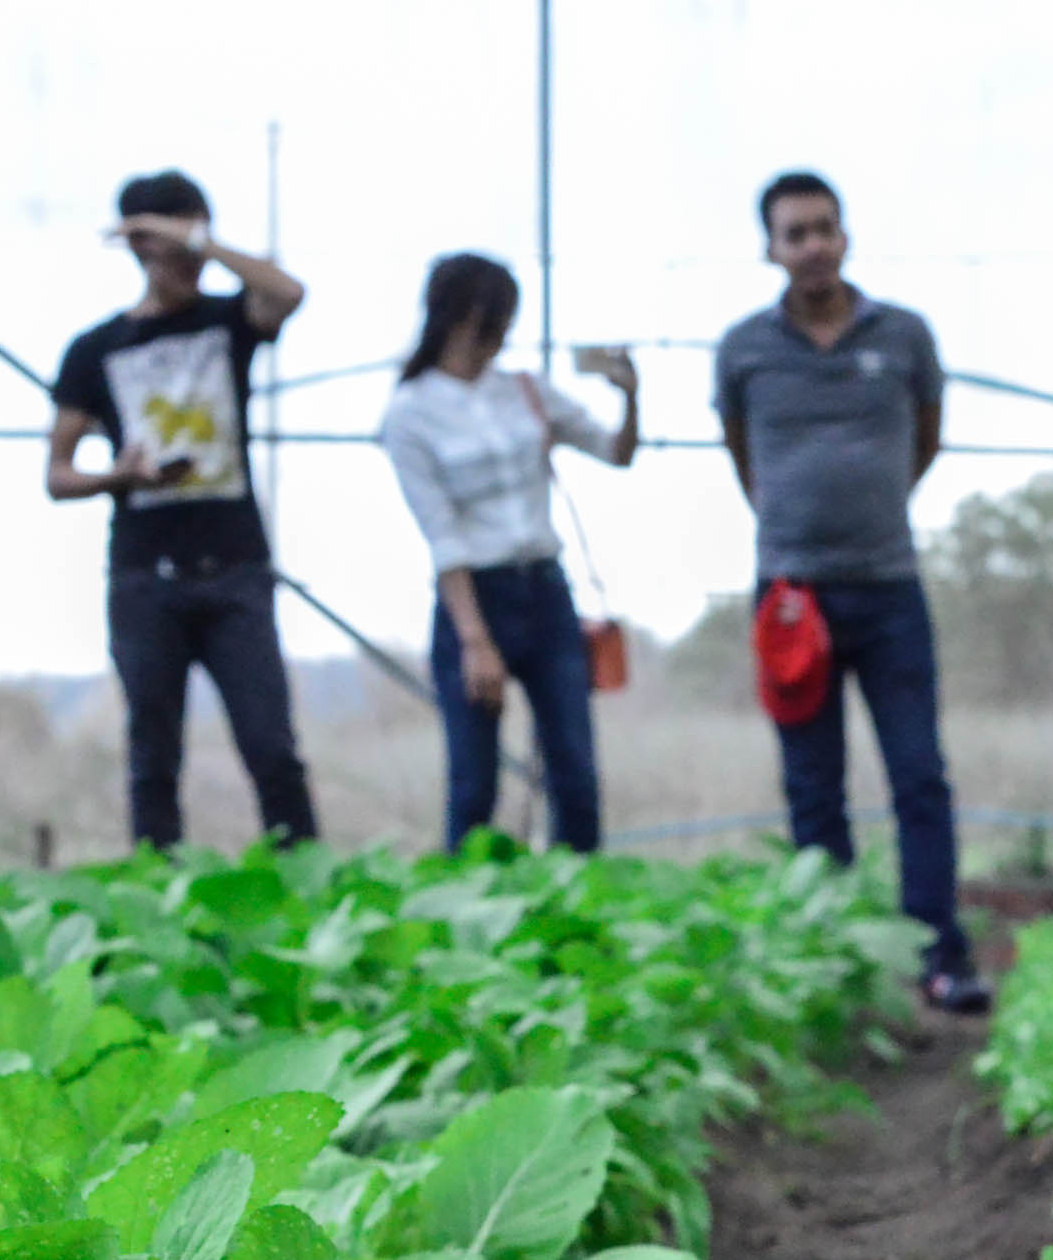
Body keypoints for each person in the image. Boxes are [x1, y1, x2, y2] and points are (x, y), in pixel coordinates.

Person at [714, 168, 981, 1013]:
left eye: (824, 228)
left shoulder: (903, 336)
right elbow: (741, 453)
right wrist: (794, 525)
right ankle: (836, 962)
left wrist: (869, 503)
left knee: (919, 776)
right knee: (812, 787)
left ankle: (937, 953)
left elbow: (927, 439)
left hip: (889, 587)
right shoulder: (744, 349)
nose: (813, 246)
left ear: (846, 236)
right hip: (791, 598)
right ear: (771, 249)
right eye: (795, 233)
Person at [48, 170, 315, 851]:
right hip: (145, 577)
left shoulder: (229, 322)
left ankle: (305, 877)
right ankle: (158, 883)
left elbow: (288, 293)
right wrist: (117, 476)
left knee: (272, 747)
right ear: (140, 247)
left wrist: (199, 242)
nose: (190, 254)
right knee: (153, 756)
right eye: (171, 240)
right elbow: (58, 475)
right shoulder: (95, 350)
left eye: (196, 235)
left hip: (236, 569)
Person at [378, 251, 640, 851]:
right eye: (493, 317)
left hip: (545, 590)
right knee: (474, 781)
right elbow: (443, 534)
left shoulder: (523, 390)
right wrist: (476, 641)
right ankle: (467, 896)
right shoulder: (411, 411)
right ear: (460, 316)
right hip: (477, 599)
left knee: (575, 770)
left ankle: (579, 889)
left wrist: (629, 398)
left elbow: (616, 451)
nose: (500, 332)